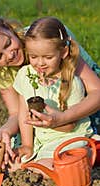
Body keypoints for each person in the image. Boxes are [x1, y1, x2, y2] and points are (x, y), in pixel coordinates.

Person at [0, 14, 100, 169]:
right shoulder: (4, 73)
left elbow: (97, 92)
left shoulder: (45, 38)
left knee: (62, 155)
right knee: (13, 161)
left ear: (9, 28)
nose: (10, 55)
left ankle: (87, 152)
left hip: (83, 103)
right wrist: (5, 131)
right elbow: (17, 113)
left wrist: (61, 119)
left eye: (8, 44)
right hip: (47, 121)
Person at [12, 16, 94, 173]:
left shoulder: (71, 81)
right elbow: (23, 110)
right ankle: (44, 162)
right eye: (33, 57)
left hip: (69, 137)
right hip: (42, 140)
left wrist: (52, 123)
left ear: (63, 52)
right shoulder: (25, 74)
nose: (40, 63)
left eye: (48, 57)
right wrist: (27, 145)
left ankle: (86, 153)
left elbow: (70, 125)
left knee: (44, 169)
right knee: (12, 164)